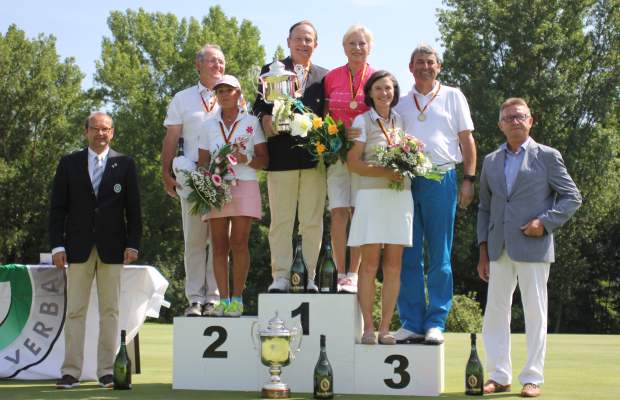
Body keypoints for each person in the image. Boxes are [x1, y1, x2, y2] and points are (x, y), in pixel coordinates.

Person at [477, 98, 581, 398]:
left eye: (520, 116)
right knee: (496, 313)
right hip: (498, 248)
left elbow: (572, 197)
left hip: (534, 246)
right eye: (509, 118)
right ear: (500, 125)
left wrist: (544, 222)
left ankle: (533, 377)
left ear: (531, 121)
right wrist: (483, 249)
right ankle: (499, 375)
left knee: (535, 312)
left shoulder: (548, 156)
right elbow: (485, 208)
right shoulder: (490, 161)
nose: (515, 121)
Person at [49, 112, 142, 389]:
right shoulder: (69, 163)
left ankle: (106, 371)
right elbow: (57, 209)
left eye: (106, 129)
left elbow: (134, 211)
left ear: (112, 133)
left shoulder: (125, 164)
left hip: (114, 249)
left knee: (110, 312)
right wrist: (57, 245)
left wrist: (133, 243)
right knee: (75, 311)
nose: (100, 134)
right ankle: (71, 372)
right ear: (86, 131)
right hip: (76, 249)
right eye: (95, 129)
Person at [394, 44, 476, 345]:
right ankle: (411, 321)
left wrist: (469, 178)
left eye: (430, 62)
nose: (425, 67)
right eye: (419, 62)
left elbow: (466, 140)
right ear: (410, 67)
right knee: (408, 254)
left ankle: (436, 321)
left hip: (441, 178)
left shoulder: (453, 95)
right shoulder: (401, 103)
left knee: (439, 253)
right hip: (406, 181)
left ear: (438, 66)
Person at [253, 20, 328, 293]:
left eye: (309, 40)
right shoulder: (271, 71)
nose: (303, 44)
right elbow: (258, 107)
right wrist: (264, 119)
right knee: (281, 222)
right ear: (288, 41)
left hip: (314, 161)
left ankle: (309, 277)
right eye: (298, 38)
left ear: (316, 45)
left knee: (311, 222)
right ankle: (281, 277)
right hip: (280, 158)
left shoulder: (324, 76)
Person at [347, 71, 413, 345]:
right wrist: (385, 172)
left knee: (394, 266)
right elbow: (353, 162)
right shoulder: (361, 121)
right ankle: (367, 328)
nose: (384, 93)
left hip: (399, 198)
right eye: (378, 88)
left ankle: (385, 328)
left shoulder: (402, 121)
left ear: (394, 92)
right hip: (372, 196)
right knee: (370, 264)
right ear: (370, 93)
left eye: (389, 88)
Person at [197, 75, 268, 317]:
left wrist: (244, 159)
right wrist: (207, 180)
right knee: (218, 246)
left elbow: (263, 159)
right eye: (220, 91)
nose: (224, 94)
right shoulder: (208, 124)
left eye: (229, 90)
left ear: (238, 93)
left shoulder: (251, 122)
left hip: (245, 183)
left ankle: (236, 300)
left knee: (238, 243)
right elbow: (202, 162)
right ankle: (223, 301)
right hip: (217, 187)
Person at [162, 44, 225, 316]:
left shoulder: (233, 96)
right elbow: (172, 137)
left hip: (224, 181)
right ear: (198, 64)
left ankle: (214, 299)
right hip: (192, 179)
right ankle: (195, 300)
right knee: (195, 241)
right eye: (212, 62)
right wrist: (165, 172)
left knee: (220, 242)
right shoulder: (182, 98)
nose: (218, 67)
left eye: (221, 62)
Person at [323, 25, 376, 294]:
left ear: (370, 47)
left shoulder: (377, 78)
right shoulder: (332, 77)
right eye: (352, 43)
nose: (357, 48)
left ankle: (352, 275)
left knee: (359, 211)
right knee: (338, 212)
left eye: (362, 43)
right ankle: (338, 270)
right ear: (344, 48)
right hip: (336, 153)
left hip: (363, 154)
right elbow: (322, 116)